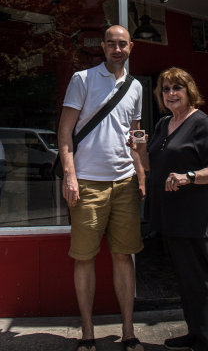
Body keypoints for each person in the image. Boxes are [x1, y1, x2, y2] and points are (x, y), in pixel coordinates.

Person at [128, 67, 208, 351]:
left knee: (200, 283)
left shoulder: (203, 124)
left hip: (194, 219)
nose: (171, 94)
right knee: (186, 282)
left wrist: (189, 177)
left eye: (177, 88)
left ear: (189, 91)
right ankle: (194, 334)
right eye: (165, 89)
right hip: (171, 217)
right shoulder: (164, 124)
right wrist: (138, 150)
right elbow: (153, 167)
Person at [58, 25, 145, 351]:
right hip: (87, 184)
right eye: (112, 44)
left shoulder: (135, 87)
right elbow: (65, 131)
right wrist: (70, 176)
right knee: (85, 258)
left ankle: (128, 332)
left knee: (123, 256)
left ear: (131, 47)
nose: (117, 49)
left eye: (123, 44)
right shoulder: (83, 79)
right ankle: (88, 335)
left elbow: (134, 135)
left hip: (123, 183)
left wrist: (141, 173)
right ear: (103, 47)